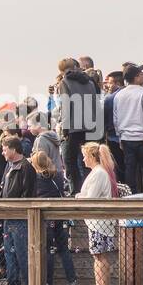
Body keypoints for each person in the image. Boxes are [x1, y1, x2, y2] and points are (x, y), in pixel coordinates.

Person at [30, 150, 80, 285]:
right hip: (60, 215)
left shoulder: (36, 178)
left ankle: (48, 284)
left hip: (46, 217)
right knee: (64, 249)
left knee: (49, 250)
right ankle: (72, 281)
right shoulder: (58, 175)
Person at [76, 142, 119, 285]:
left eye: (85, 156)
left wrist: (78, 197)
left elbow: (91, 197)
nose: (83, 159)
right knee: (97, 255)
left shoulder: (99, 173)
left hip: (100, 222)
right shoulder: (98, 172)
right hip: (96, 221)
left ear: (92, 157)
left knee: (101, 255)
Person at [112, 63, 143, 194]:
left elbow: (116, 118)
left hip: (126, 138)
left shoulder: (119, 95)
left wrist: (119, 137)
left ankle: (130, 196)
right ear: (135, 77)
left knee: (130, 169)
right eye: (141, 74)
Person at [54, 57, 100, 193]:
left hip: (74, 127)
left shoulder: (65, 82)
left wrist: (65, 129)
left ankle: (76, 192)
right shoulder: (90, 82)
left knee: (70, 162)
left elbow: (66, 106)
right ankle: (91, 190)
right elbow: (96, 104)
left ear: (62, 71)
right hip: (90, 126)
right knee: (89, 161)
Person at [0, 135, 36, 285]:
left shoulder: (26, 167)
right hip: (9, 215)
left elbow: (28, 194)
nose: (2, 152)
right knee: (9, 251)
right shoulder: (10, 166)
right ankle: (12, 284)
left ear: (13, 149)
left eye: (4, 149)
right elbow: (3, 190)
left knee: (21, 252)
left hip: (19, 217)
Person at [102, 70, 125, 176]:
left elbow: (104, 119)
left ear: (117, 83)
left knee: (118, 168)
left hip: (113, 137)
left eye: (110, 83)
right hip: (130, 137)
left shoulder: (109, 98)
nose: (108, 86)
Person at [27, 112, 63, 178]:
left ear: (38, 125)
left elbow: (39, 162)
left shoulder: (41, 139)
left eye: (30, 126)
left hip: (48, 176)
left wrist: (28, 161)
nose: (28, 129)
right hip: (58, 174)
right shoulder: (52, 135)